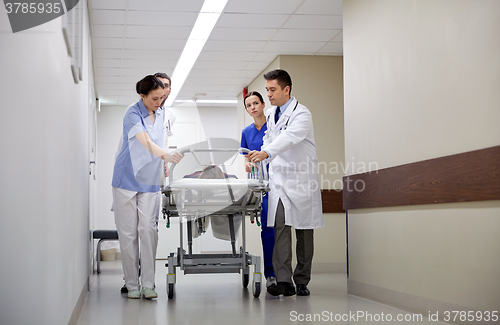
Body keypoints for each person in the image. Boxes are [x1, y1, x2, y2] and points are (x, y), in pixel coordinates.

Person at [248, 69, 324, 297]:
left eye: (272, 90)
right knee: (280, 227)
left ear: (286, 90)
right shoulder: (272, 114)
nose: (268, 95)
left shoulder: (302, 114)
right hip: (280, 181)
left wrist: (265, 152)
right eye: (267, 90)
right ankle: (284, 280)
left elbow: (289, 138)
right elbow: (269, 139)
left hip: (301, 180)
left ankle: (302, 279)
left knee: (303, 233)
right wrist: (260, 154)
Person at [112, 75, 184, 299]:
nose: (159, 102)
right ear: (142, 96)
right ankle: (132, 284)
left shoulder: (163, 113)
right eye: (154, 98)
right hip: (126, 179)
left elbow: (162, 142)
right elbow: (145, 141)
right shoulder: (132, 113)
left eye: (162, 97)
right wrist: (166, 155)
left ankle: (149, 284)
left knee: (149, 231)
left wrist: (164, 160)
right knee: (128, 234)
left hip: (150, 180)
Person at [240, 91, 276, 289]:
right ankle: (270, 274)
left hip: (278, 180)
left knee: (282, 228)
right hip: (260, 186)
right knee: (267, 228)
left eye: (256, 103)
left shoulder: (274, 127)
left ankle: (282, 272)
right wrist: (247, 164)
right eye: (248, 105)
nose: (252, 107)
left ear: (263, 104)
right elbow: (246, 156)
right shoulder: (246, 132)